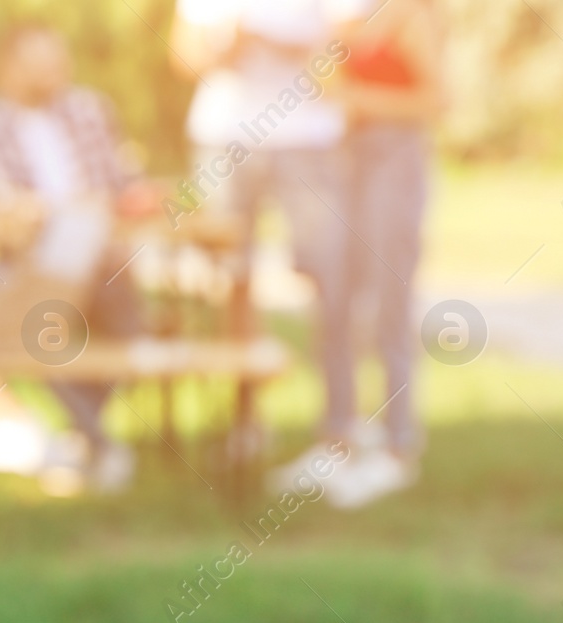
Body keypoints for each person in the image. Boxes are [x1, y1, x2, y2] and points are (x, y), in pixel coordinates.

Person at [169, 0, 370, 500]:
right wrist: (223, 49)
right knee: (228, 280)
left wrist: (272, 41)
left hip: (308, 139)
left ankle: (340, 431)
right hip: (222, 137)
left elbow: (352, 43)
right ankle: (244, 424)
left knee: (331, 282)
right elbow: (182, 53)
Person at [0, 23, 152, 497]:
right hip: (25, 264)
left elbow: (121, 184)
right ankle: (95, 441)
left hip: (102, 257)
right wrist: (44, 213)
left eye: (57, 62)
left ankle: (80, 436)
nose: (53, 74)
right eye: (39, 63)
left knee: (132, 337)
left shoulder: (90, 110)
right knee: (36, 317)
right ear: (7, 68)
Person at [330, 0, 443, 508]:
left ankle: (399, 447)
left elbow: (438, 101)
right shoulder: (360, 17)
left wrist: (356, 97)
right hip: (356, 159)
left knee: (390, 307)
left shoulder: (413, 17)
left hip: (396, 159)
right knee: (348, 305)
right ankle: (352, 436)